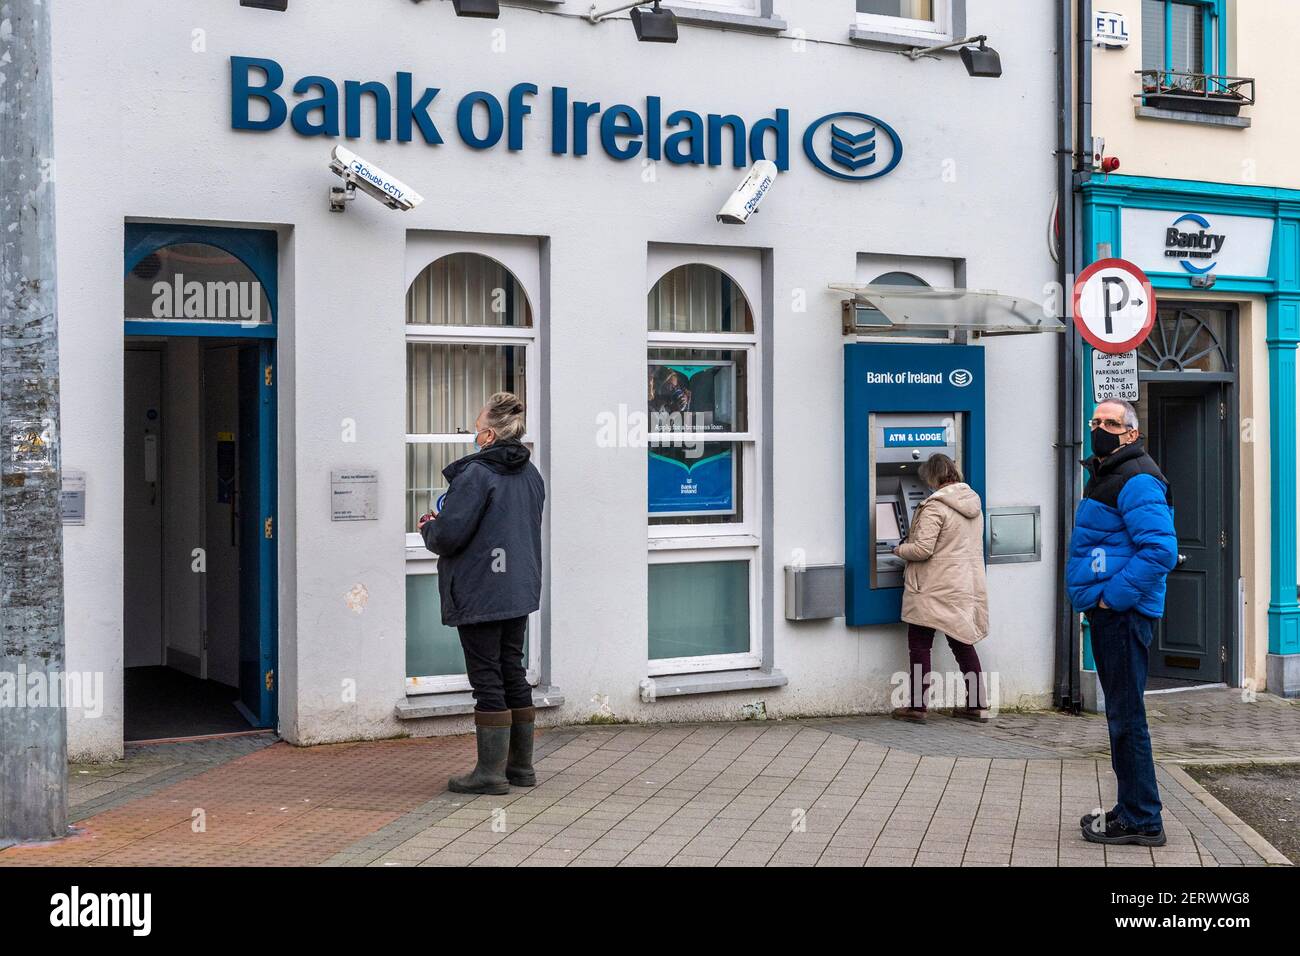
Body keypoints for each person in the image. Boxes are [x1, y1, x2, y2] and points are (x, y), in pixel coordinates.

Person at [418, 391, 545, 795]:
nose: (474, 436)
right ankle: (520, 769)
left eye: (476, 429)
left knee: (487, 677)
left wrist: (428, 526)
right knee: (512, 669)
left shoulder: (476, 476)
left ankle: (489, 774)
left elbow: (449, 536)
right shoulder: (531, 473)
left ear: (489, 435)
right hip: (517, 588)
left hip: (481, 591)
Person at [1066, 398, 1178, 847]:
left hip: (1123, 616)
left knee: (1127, 718)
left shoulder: (1136, 479)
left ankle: (1143, 820)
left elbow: (1160, 551)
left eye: (1110, 422)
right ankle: (1131, 808)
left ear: (1130, 433)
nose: (1100, 427)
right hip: (1114, 614)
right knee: (1121, 716)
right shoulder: (1110, 474)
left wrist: (1112, 599)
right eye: (1095, 420)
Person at [890, 453, 990, 724]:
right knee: (962, 643)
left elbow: (922, 549)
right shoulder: (972, 503)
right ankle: (977, 704)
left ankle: (918, 707)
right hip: (961, 584)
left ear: (933, 478)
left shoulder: (935, 507)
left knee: (919, 645)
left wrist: (898, 548)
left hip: (932, 586)